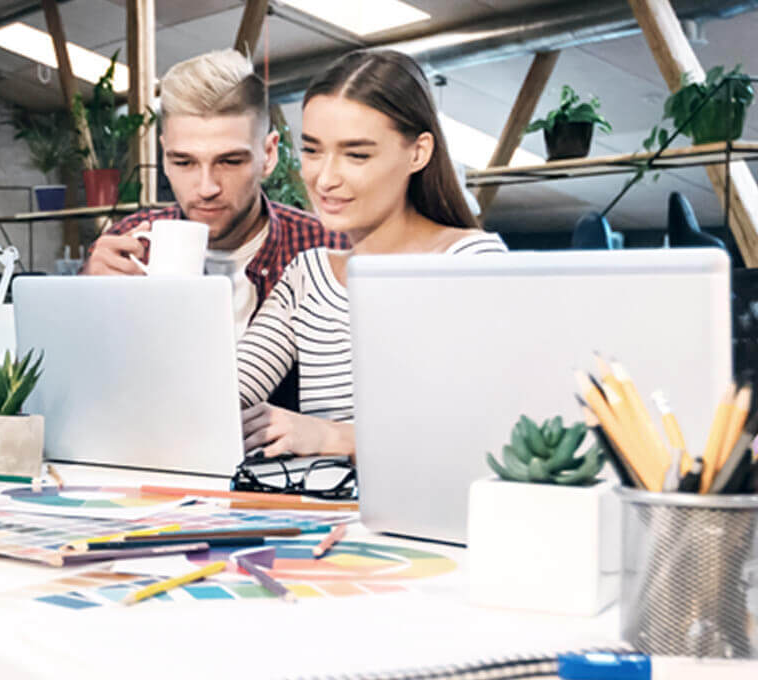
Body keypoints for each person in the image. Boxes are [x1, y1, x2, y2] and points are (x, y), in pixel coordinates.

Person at [237, 50, 507, 459]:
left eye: (356, 155)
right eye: (312, 151)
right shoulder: (307, 274)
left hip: (423, 515)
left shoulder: (469, 262)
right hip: (321, 513)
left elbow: (486, 431)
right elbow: (225, 396)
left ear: (418, 153)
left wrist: (334, 437)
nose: (325, 179)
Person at [80, 51, 350, 326]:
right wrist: (85, 292)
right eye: (184, 162)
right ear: (164, 156)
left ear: (268, 155)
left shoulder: (332, 250)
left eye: (230, 161)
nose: (207, 188)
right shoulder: (126, 248)